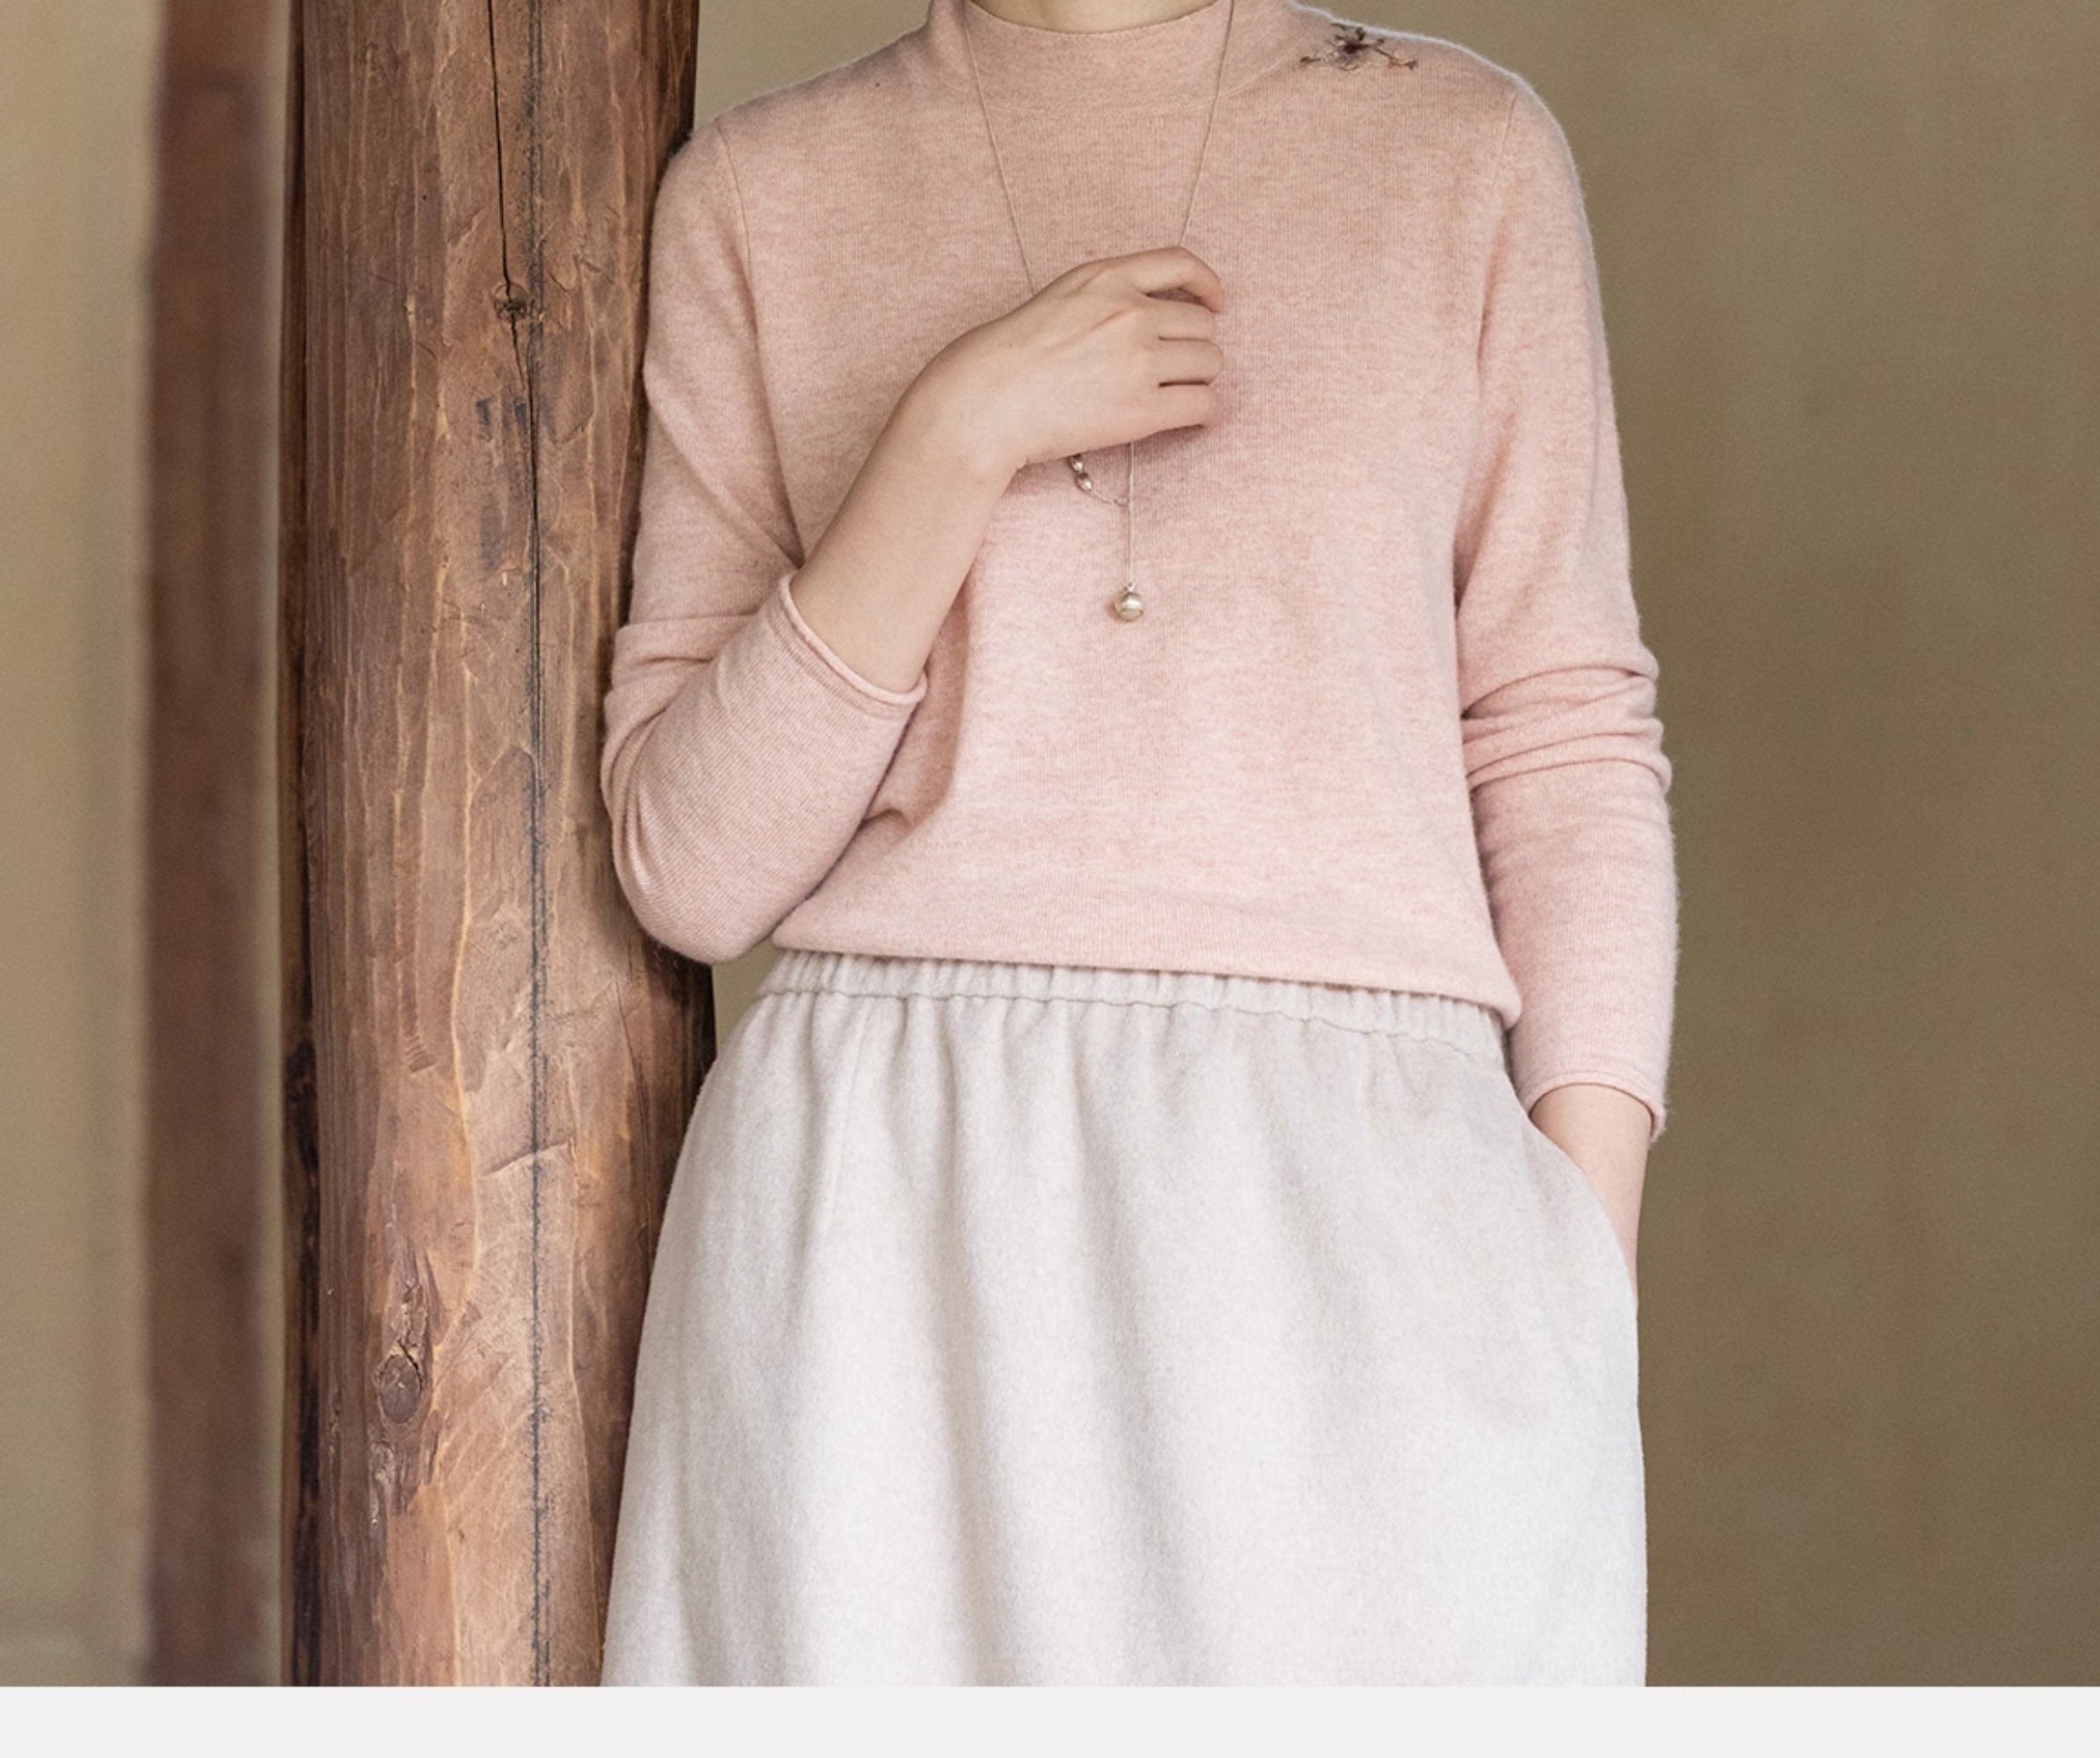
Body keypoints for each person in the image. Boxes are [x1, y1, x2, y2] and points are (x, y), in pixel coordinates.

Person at [597, 0, 1676, 1685]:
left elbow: (1563, 733)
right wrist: (951, 437)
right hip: (890, 1217)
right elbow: (691, 866)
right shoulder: (759, 193)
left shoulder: (1460, 151)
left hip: (1368, 1194)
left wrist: (1581, 1268)